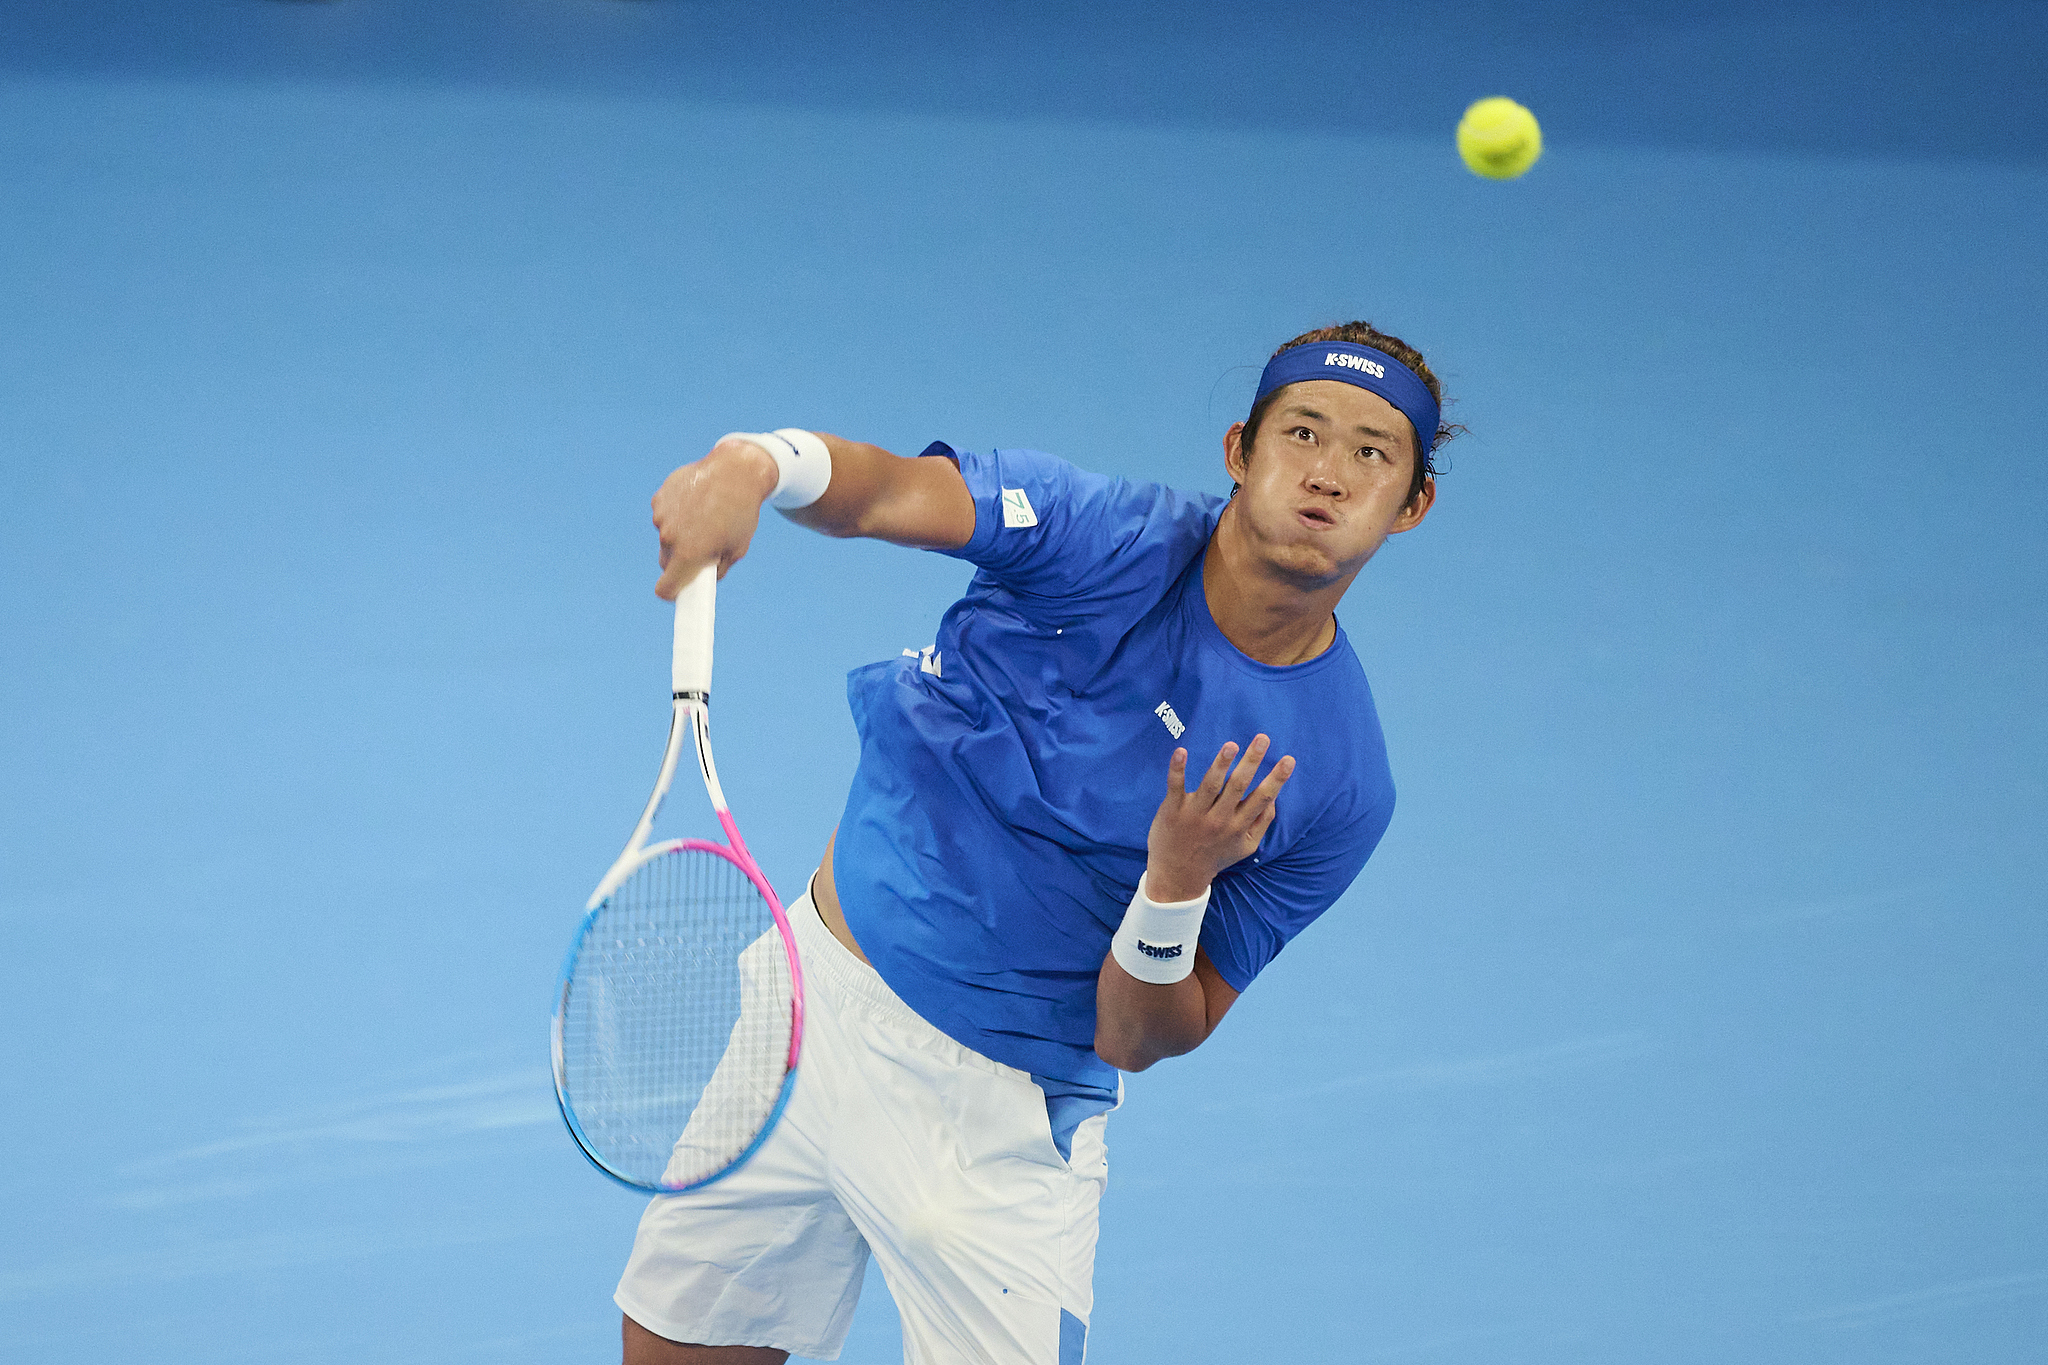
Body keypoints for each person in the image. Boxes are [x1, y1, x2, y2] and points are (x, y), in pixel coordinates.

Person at [617, 321, 1449, 1364]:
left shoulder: (1332, 780)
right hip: (803, 1005)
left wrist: (1174, 882)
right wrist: (760, 461)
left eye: (1372, 453)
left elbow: (1135, 1038)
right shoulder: (1094, 534)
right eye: (1304, 434)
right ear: (1238, 451)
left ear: (1410, 503)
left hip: (989, 1124)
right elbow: (883, 493)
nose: (1327, 474)